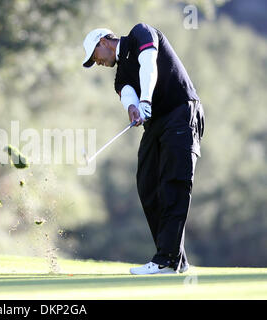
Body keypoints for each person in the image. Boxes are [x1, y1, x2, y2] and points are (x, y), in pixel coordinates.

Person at [82, 23, 205, 274]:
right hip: (157, 122)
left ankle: (166, 260)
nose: (97, 62)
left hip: (181, 111)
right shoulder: (120, 75)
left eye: (95, 56)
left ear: (104, 42)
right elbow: (127, 94)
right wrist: (134, 108)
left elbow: (149, 65)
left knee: (174, 182)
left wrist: (146, 98)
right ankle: (175, 258)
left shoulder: (141, 34)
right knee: (147, 183)